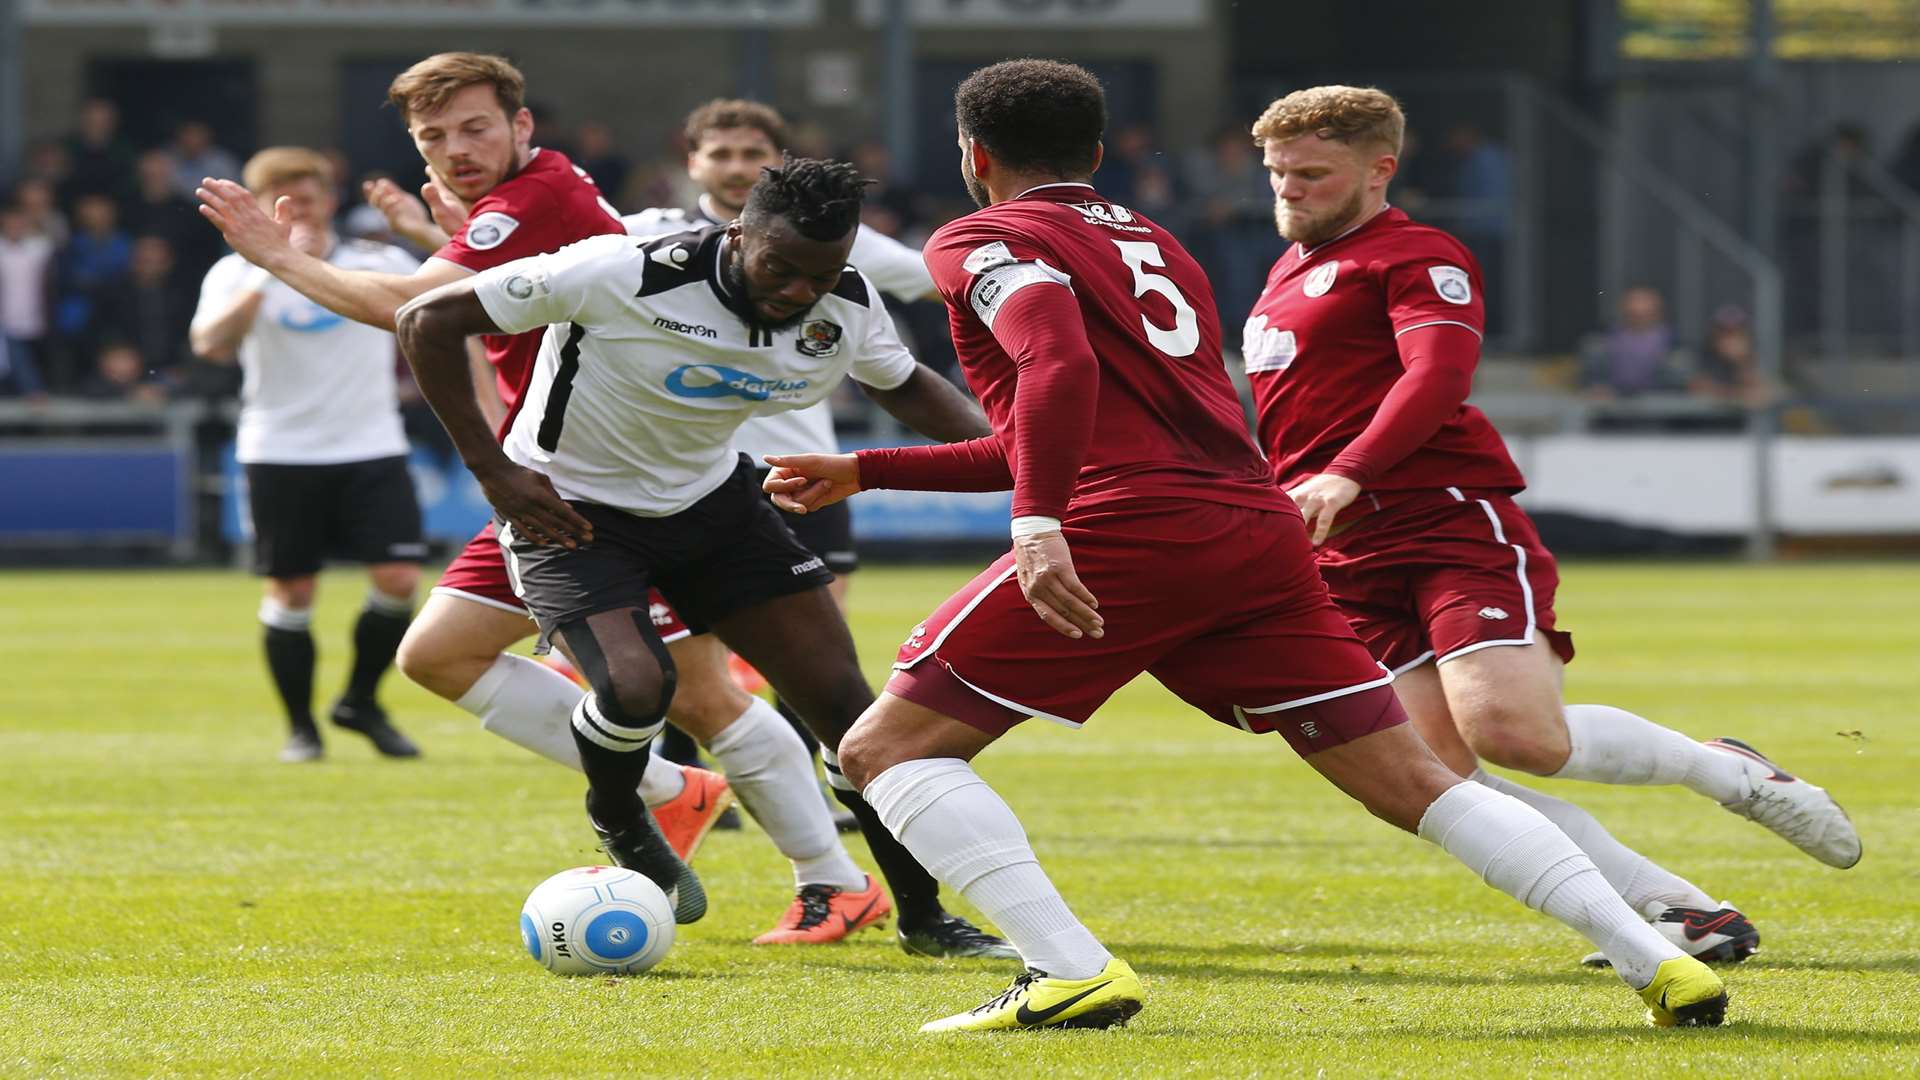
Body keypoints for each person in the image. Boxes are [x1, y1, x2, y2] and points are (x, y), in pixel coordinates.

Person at [764, 59, 1730, 1034]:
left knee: (883, 750)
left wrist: (1037, 522)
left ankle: (1067, 970)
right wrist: (872, 468)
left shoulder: (981, 236)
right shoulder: (1159, 244)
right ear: (1097, 155)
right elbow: (1055, 422)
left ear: (974, 156)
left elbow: (1055, 363)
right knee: (1415, 781)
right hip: (1254, 528)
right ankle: (1658, 957)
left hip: (1131, 526)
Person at [1239, 85, 1859, 961]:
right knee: (1442, 774)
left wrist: (1347, 472)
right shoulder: (1282, 276)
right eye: (1277, 173)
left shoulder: (1418, 255)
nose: (1288, 191)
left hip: (1444, 523)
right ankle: (1677, 911)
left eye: (1311, 174)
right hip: (1345, 555)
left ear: (1380, 170)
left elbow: (1437, 378)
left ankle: (1726, 769)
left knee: (1516, 736)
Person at [391, 157, 996, 941]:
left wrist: (1010, 455)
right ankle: (619, 814)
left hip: (714, 509)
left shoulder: (842, 304)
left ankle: (924, 915)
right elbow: (425, 322)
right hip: (571, 512)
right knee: (638, 686)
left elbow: (904, 383)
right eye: (782, 268)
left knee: (852, 718)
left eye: (823, 273)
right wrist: (494, 471)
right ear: (738, 233)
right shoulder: (620, 272)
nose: (800, 292)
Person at [196, 51, 737, 846]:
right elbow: (478, 334)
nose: (455, 150)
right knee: (432, 648)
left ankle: (834, 864)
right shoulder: (535, 194)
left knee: (712, 696)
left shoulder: (528, 198)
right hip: (566, 464)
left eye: (475, 128)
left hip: (616, 472)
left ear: (520, 125)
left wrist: (280, 258)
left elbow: (413, 309)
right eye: (433, 137)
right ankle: (687, 795)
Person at [620, 100, 979, 876]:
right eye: (721, 151)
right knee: (688, 668)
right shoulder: (643, 239)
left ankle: (831, 797)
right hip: (692, 480)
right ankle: (704, 790)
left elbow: (929, 290)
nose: (736, 163)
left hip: (805, 472)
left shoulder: (835, 248)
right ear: (692, 161)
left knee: (818, 663)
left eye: (754, 150)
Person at [188, 147, 427, 762]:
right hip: (280, 449)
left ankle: (360, 701)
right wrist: (275, 266)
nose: (305, 209)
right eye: (286, 199)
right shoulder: (236, 273)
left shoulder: (376, 260)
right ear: (263, 206)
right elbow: (210, 344)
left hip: (372, 443)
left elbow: (424, 318)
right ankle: (301, 728)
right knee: (293, 594)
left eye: (314, 196)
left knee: (399, 580)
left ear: (330, 199)